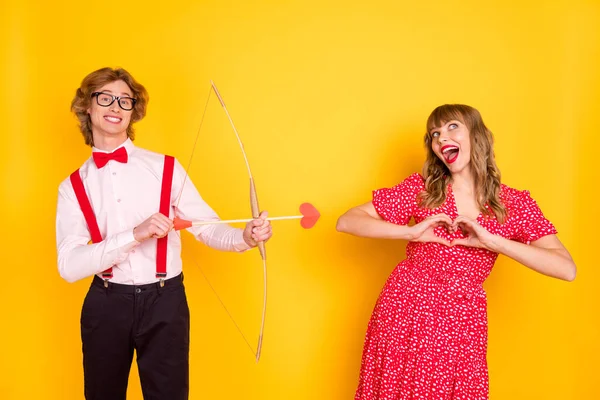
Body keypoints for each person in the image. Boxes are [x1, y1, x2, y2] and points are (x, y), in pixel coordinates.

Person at [55, 67, 272, 400]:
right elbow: (69, 265)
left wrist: (244, 237)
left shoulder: (165, 168)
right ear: (87, 105)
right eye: (106, 98)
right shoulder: (72, 187)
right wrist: (134, 235)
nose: (116, 107)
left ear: (133, 111)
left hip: (165, 300)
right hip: (107, 303)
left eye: (125, 101)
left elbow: (206, 227)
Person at [336, 104, 576, 400]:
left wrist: (494, 242)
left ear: (477, 136)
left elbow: (566, 268)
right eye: (434, 133)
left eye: (452, 127)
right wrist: (410, 232)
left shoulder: (513, 203)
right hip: (404, 309)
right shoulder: (423, 190)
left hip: (462, 319)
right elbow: (346, 221)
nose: (440, 138)